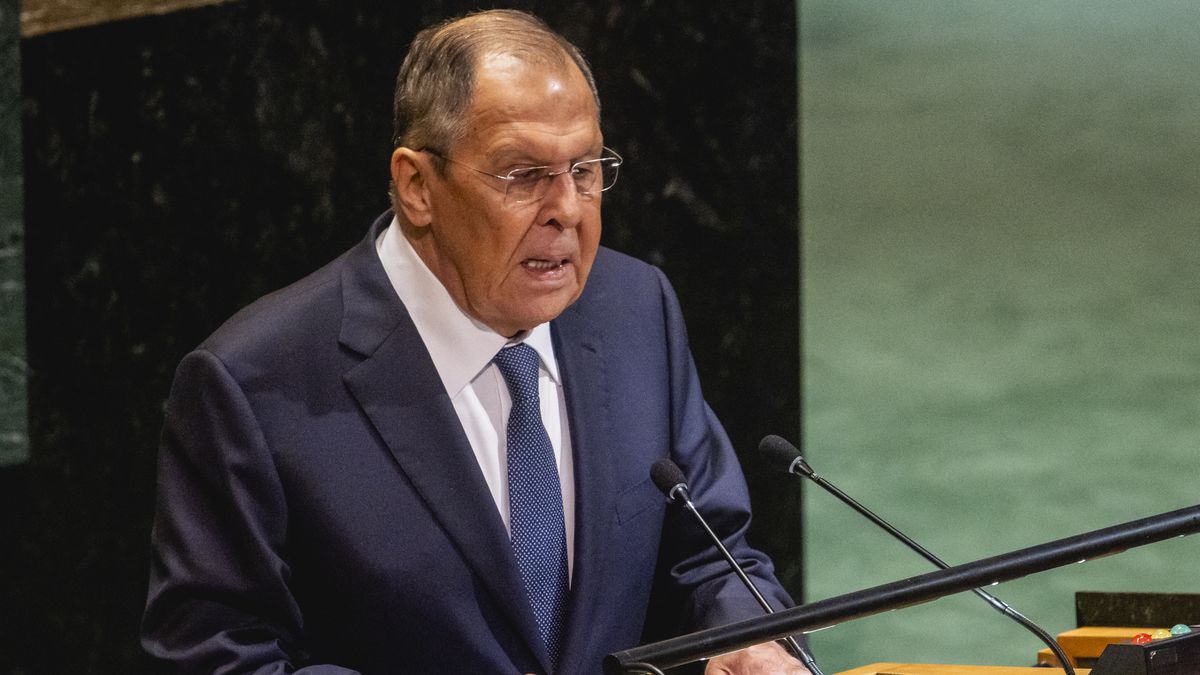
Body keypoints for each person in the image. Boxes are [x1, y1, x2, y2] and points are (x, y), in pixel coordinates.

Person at [141, 9, 811, 675]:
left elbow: (711, 553)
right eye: (523, 175)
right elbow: (219, 655)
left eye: (583, 169)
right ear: (418, 186)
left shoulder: (635, 310)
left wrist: (746, 637)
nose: (567, 210)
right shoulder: (254, 384)